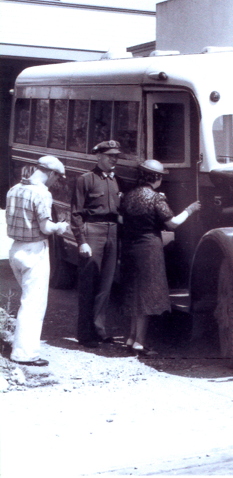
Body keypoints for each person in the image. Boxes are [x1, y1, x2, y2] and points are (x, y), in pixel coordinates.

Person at [119, 160, 200, 356]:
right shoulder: (156, 198)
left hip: (130, 247)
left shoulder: (129, 195)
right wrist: (190, 210)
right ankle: (139, 342)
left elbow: (121, 218)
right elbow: (172, 224)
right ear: (155, 177)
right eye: (160, 176)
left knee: (135, 293)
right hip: (149, 249)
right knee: (147, 296)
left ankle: (131, 338)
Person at [5, 156, 71, 366]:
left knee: (27, 300)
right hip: (34, 250)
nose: (56, 182)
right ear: (51, 173)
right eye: (57, 177)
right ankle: (25, 354)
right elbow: (45, 228)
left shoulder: (14, 189)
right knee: (33, 305)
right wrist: (59, 227)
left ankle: (20, 347)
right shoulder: (42, 193)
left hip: (15, 249)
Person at [71, 140, 122, 347]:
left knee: (106, 285)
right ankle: (85, 335)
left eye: (116, 155)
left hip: (113, 232)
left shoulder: (116, 181)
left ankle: (100, 330)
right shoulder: (86, 180)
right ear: (98, 156)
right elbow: (75, 213)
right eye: (110, 155)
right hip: (92, 232)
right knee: (88, 284)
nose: (114, 159)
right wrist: (81, 241)